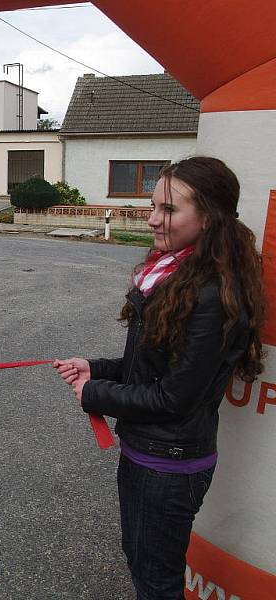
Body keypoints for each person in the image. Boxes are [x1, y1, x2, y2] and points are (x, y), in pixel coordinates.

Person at [53, 156, 264, 599]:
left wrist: (95, 393)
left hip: (169, 465)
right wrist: (98, 368)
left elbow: (173, 398)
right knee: (143, 564)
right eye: (154, 206)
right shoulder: (172, 275)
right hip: (147, 454)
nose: (152, 220)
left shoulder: (212, 295)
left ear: (208, 217)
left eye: (169, 210)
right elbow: (151, 366)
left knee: (156, 582)